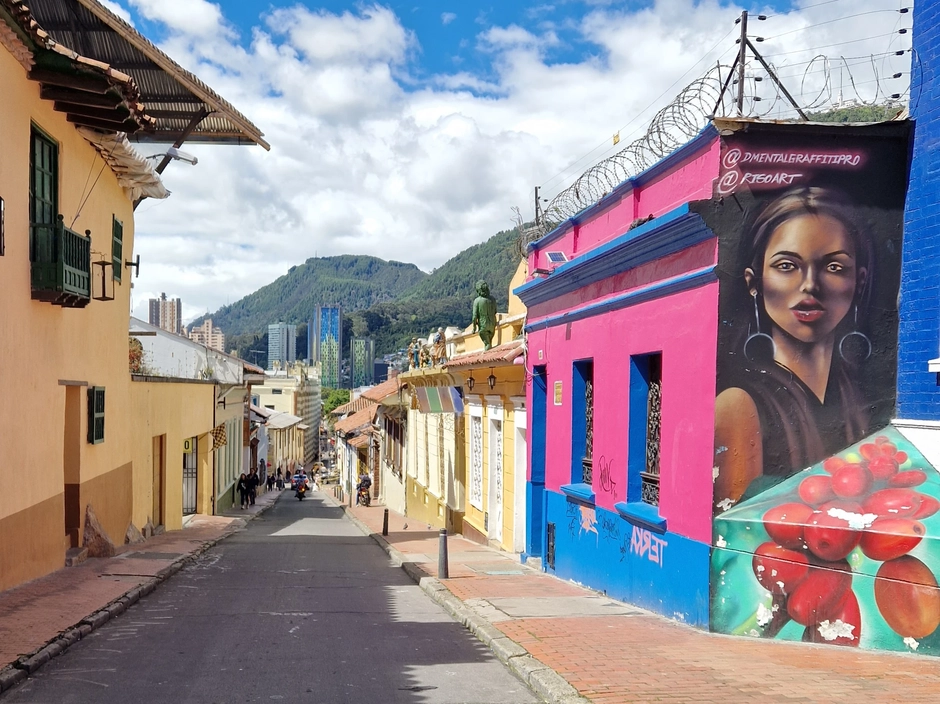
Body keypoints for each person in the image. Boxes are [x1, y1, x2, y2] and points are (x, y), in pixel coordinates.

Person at [714, 187, 874, 508]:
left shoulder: (857, 396)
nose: (810, 285)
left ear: (860, 281)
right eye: (787, 265)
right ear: (754, 282)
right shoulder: (738, 406)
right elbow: (741, 532)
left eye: (833, 267)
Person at [471, 280, 498, 350]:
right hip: (492, 324)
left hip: (483, 325)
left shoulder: (477, 301)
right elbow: (495, 311)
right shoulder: (493, 299)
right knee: (490, 344)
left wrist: (474, 328)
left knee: (487, 345)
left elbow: (474, 316)